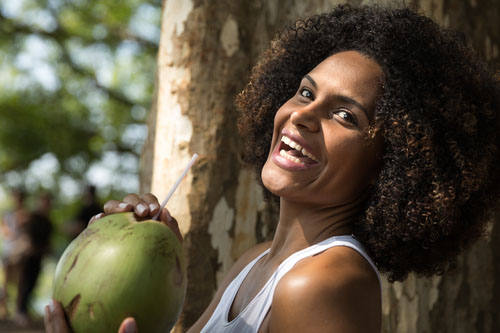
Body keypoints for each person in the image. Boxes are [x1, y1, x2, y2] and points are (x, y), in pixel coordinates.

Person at [44, 4, 500, 333]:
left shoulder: (324, 283)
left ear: (396, 165)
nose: (303, 114)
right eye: (305, 92)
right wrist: (152, 266)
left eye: (345, 115)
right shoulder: (256, 262)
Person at [15, 193, 53, 326]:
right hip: (28, 257)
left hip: (39, 257)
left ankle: (23, 312)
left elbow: (48, 242)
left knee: (32, 284)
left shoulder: (48, 222)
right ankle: (20, 312)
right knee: (24, 284)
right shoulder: (33, 218)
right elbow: (22, 229)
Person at [0, 189, 30, 318]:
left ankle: (18, 310)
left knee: (20, 282)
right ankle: (4, 309)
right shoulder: (8, 215)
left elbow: (26, 235)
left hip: (19, 253)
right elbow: (5, 232)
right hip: (9, 251)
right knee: (6, 282)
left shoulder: (26, 215)